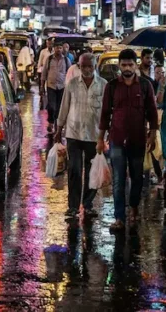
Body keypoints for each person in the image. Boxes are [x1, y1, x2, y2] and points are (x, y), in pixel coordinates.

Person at [98, 48, 159, 231]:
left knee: (137, 178)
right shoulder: (112, 87)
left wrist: (153, 135)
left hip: (138, 139)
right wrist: (100, 139)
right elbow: (105, 114)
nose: (127, 68)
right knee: (118, 180)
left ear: (136, 65)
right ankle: (119, 218)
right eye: (123, 64)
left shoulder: (145, 86)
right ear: (119, 65)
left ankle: (133, 207)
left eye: (130, 64)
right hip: (116, 139)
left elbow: (152, 112)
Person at [55, 53, 105, 220]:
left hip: (94, 134)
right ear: (79, 66)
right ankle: (73, 206)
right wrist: (59, 128)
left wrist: (106, 135)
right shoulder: (72, 84)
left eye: (90, 66)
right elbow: (64, 106)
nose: (87, 69)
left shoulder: (103, 86)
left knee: (92, 171)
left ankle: (88, 204)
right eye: (84, 66)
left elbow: (107, 113)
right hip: (73, 133)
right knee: (74, 169)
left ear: (95, 66)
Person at [43, 43, 69, 133]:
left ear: (62, 49)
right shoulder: (49, 59)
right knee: (51, 107)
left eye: (60, 48)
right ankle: (50, 121)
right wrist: (41, 87)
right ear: (54, 48)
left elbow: (69, 74)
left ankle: (56, 127)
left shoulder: (66, 60)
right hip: (51, 86)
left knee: (59, 108)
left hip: (62, 87)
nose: (59, 49)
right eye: (57, 47)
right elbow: (44, 73)